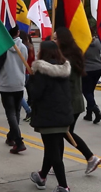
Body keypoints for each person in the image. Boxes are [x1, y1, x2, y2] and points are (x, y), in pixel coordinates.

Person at [28, 41, 74, 192]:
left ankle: (63, 186)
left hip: (49, 118)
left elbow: (36, 94)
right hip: (63, 115)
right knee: (52, 149)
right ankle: (41, 177)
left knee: (54, 153)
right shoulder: (64, 69)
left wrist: (31, 82)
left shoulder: (42, 71)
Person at [55, 27, 101, 174]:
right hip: (75, 101)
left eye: (55, 38)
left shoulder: (66, 59)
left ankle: (90, 157)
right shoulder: (74, 54)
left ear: (62, 40)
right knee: (64, 133)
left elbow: (64, 82)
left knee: (64, 133)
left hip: (70, 102)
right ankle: (55, 164)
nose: (53, 41)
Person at [0, 24, 27, 154]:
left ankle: (18, 141)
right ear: (18, 33)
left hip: (6, 84)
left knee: (10, 113)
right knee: (16, 112)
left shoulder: (2, 48)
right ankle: (11, 136)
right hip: (19, 82)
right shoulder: (23, 47)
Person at [82, 33, 101, 123]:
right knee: (90, 91)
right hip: (98, 68)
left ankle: (95, 109)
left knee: (86, 91)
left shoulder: (82, 43)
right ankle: (89, 113)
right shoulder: (97, 41)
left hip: (87, 69)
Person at [19, 30, 34, 122]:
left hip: (22, 72)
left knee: (18, 94)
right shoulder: (30, 47)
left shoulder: (22, 48)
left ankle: (28, 110)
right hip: (28, 72)